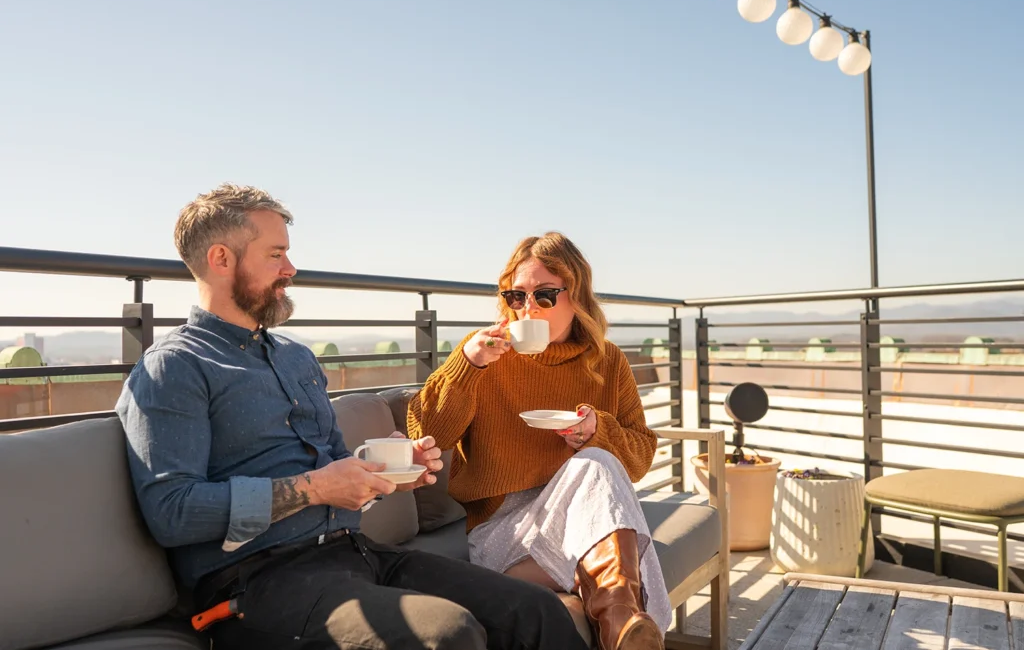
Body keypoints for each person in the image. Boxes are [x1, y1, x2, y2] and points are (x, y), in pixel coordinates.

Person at [115, 184, 590, 650]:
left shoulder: (297, 359)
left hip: (354, 553)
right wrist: (314, 488)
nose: (291, 269)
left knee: (536, 610)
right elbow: (172, 512)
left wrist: (390, 475)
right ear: (221, 259)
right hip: (257, 582)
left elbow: (338, 473)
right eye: (275, 254)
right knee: (446, 634)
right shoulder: (173, 367)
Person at [407, 232, 670, 650]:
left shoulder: (608, 360)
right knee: (597, 464)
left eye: (544, 295)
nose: (528, 308)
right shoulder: (485, 356)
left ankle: (617, 616)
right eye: (516, 297)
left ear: (576, 296)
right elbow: (427, 435)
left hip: (583, 524)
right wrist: (467, 365)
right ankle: (624, 620)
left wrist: (594, 431)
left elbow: (638, 460)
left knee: (596, 460)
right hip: (505, 539)